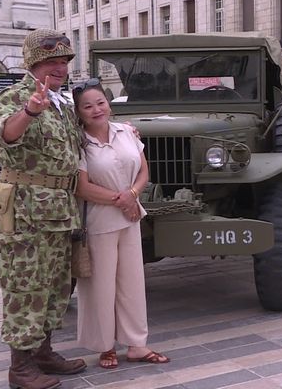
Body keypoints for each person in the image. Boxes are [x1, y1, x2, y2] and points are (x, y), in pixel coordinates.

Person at [0, 29, 87, 389]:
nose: (60, 69)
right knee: (25, 287)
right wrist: (30, 110)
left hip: (60, 210)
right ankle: (20, 368)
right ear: (33, 64)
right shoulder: (15, 97)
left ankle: (43, 352)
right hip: (27, 212)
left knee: (56, 286)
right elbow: (3, 135)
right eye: (52, 62)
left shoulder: (62, 103)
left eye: (64, 62)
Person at [72, 79, 170, 369]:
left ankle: (137, 344)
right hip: (99, 221)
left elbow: (143, 170)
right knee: (100, 287)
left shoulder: (127, 132)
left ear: (109, 104)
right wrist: (122, 200)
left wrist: (133, 195)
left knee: (132, 284)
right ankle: (105, 346)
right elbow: (82, 187)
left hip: (130, 218)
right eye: (87, 106)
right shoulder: (77, 142)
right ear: (79, 112)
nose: (96, 109)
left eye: (100, 103)